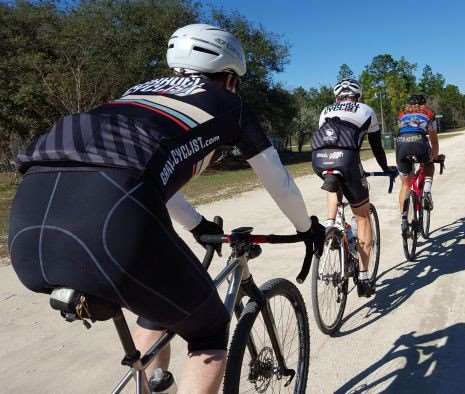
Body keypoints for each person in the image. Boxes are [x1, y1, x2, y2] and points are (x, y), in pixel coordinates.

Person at [8, 24, 323, 394]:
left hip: (27, 227)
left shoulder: (136, 93)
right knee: (207, 330)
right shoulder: (228, 105)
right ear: (229, 77)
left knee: (160, 305)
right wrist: (307, 229)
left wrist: (196, 224)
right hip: (110, 218)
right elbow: (279, 183)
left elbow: (148, 174)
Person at [311, 78, 396, 297]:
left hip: (319, 159)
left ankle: (330, 227)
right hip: (348, 160)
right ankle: (365, 278)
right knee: (362, 216)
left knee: (332, 180)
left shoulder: (325, 110)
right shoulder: (366, 109)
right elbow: (377, 146)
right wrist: (385, 168)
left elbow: (327, 141)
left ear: (336, 95)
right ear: (357, 95)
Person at [396, 94, 440, 236]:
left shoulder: (402, 115)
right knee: (429, 165)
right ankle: (426, 191)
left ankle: (404, 219)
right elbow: (434, 141)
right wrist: (435, 156)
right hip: (419, 142)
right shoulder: (428, 114)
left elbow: (403, 131)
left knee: (405, 185)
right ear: (424, 104)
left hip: (401, 144)